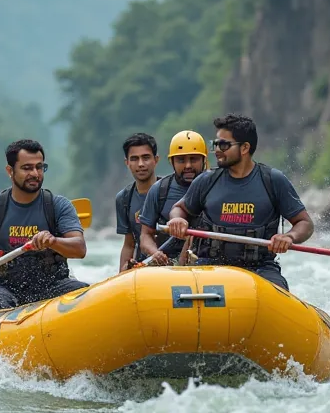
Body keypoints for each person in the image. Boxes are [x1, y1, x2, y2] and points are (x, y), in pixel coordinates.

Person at [165, 114, 314, 290]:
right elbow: (179, 209)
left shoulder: (273, 180)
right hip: (209, 267)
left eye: (223, 145)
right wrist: (177, 219)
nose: (217, 150)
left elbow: (305, 223)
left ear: (244, 148)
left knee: (279, 291)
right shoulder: (206, 180)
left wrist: (289, 237)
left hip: (259, 269)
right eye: (215, 144)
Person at [0, 139, 88, 310]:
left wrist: (53, 241)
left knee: (84, 293)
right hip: (0, 288)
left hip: (51, 285)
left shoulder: (59, 206)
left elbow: (79, 248)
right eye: (27, 168)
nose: (35, 173)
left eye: (39, 167)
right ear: (10, 171)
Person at [139, 130, 209, 266]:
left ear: (204, 160)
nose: (188, 166)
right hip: (170, 263)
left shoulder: (216, 186)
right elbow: (145, 235)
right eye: (181, 160)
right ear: (172, 162)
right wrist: (155, 253)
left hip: (206, 261)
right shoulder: (159, 190)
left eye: (193, 159)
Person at [113, 133, 160, 272]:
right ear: (127, 162)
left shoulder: (170, 190)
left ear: (156, 160)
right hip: (143, 268)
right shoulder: (124, 199)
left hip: (172, 266)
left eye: (146, 158)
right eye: (134, 159)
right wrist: (121, 275)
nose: (140, 164)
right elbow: (129, 244)